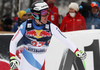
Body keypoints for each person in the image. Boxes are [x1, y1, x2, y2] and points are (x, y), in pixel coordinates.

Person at [9, 1, 86, 70]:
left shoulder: (51, 27)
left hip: (40, 63)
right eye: (44, 13)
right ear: (36, 15)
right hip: (26, 61)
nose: (47, 15)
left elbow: (65, 39)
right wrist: (12, 57)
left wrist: (76, 51)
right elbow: (13, 41)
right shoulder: (26, 25)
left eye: (47, 12)